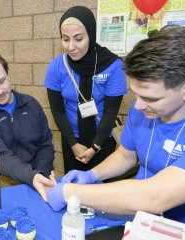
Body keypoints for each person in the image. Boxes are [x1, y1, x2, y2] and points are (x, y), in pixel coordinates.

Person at [46, 25, 185, 239]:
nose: (139, 106)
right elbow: (126, 154)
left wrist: (69, 192)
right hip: (139, 224)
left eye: (151, 98)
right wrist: (91, 174)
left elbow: (154, 196)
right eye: (136, 95)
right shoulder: (142, 110)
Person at [43, 6, 127, 173]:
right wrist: (74, 145)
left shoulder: (112, 65)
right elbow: (58, 111)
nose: (71, 47)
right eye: (65, 39)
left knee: (103, 192)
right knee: (75, 192)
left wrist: (95, 147)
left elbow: (111, 111)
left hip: (103, 139)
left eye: (78, 39)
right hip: (72, 140)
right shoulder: (56, 67)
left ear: (91, 34)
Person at [0, 50, 55, 201]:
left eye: (2, 81)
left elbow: (45, 144)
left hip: (38, 173)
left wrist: (42, 175)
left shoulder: (31, 104)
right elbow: (0, 158)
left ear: (8, 75)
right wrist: (32, 178)